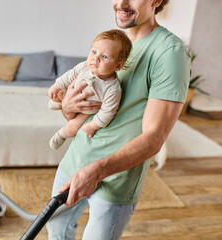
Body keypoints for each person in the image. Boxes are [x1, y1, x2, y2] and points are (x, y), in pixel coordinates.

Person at [46, 0, 191, 239]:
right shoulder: (112, 45)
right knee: (57, 230)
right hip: (75, 160)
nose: (121, 3)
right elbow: (81, 112)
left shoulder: (169, 52)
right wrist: (67, 108)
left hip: (115, 179)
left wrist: (96, 171)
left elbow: (154, 137)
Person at [48, 30, 132, 150]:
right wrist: (56, 86)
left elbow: (108, 112)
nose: (95, 58)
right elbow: (69, 75)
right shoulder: (84, 66)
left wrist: (93, 125)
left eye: (104, 56)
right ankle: (59, 102)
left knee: (74, 126)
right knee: (60, 92)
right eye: (94, 52)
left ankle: (61, 135)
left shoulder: (112, 89)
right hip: (70, 95)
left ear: (118, 66)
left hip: (86, 112)